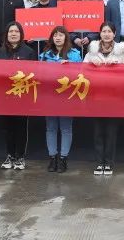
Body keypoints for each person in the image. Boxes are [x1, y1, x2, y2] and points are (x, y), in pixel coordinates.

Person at [85, 22, 124, 175]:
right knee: (98, 132)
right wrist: (91, 64)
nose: (106, 34)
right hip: (95, 98)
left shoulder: (122, 53)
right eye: (104, 31)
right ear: (100, 33)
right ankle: (99, 163)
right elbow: (82, 72)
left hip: (114, 99)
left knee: (111, 132)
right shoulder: (91, 52)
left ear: (114, 34)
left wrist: (117, 66)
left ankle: (109, 163)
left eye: (109, 31)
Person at [38, 26, 82, 173]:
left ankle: (63, 159)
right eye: (55, 35)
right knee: (50, 128)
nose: (58, 38)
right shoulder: (44, 55)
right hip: (49, 97)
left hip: (67, 97)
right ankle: (52, 158)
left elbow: (81, 75)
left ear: (66, 37)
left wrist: (69, 67)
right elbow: (38, 75)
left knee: (66, 128)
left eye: (61, 35)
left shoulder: (74, 55)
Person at [0, 22, 36, 170]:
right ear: (6, 34)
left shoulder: (29, 52)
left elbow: (34, 74)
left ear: (21, 34)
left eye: (16, 31)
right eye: (11, 31)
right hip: (5, 96)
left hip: (22, 96)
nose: (13, 34)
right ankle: (10, 155)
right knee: (7, 128)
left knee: (20, 128)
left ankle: (20, 157)